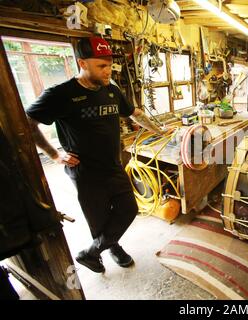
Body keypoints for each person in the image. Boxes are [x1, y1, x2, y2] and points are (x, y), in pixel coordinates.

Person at [25, 36, 165, 273]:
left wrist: (159, 130)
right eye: (101, 65)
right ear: (82, 64)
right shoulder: (61, 94)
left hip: (113, 165)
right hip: (86, 172)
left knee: (128, 209)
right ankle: (112, 247)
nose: (108, 70)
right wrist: (54, 155)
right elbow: (29, 122)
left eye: (109, 64)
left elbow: (134, 113)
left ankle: (91, 252)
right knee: (98, 220)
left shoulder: (111, 90)